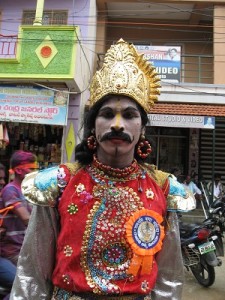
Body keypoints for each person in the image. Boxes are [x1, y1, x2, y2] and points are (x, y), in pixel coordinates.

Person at [10, 39, 195, 300]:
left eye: (129, 115)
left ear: (142, 129)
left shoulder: (164, 188)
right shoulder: (59, 183)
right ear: (93, 125)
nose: (117, 124)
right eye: (107, 114)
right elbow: (31, 273)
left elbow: (168, 279)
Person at [0, 150, 38, 266]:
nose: (34, 172)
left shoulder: (28, 191)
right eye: (31, 169)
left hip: (26, 248)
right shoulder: (10, 190)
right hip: (14, 251)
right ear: (18, 170)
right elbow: (27, 219)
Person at [0, 163, 16, 300]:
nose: (3, 182)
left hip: (4, 254)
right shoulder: (10, 191)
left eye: (3, 178)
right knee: (19, 284)